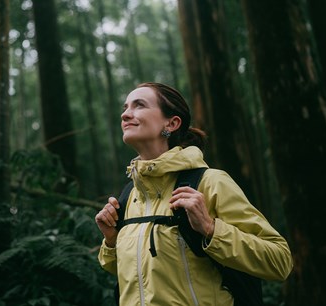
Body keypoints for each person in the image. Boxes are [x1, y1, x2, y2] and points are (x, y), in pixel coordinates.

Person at [95, 82, 293, 305]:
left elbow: (280, 261)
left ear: (171, 123)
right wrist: (112, 241)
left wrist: (211, 229)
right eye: (125, 108)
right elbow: (137, 276)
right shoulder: (129, 196)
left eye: (139, 105)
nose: (125, 115)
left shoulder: (210, 182)